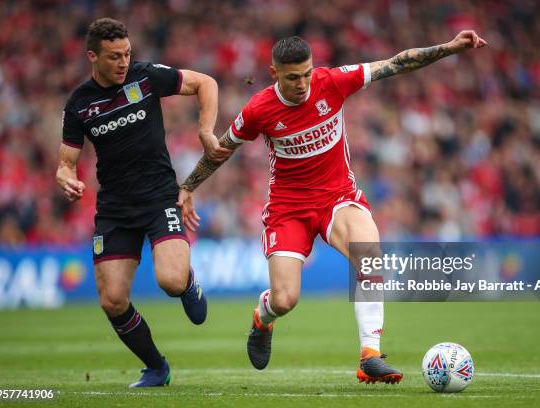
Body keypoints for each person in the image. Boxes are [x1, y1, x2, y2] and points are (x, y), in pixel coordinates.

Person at [178, 31, 487, 384]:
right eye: (292, 77)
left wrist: (449, 48)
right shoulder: (258, 109)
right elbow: (222, 150)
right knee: (285, 299)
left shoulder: (333, 82)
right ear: (274, 73)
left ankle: (370, 355)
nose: (302, 84)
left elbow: (396, 63)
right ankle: (263, 319)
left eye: (307, 73)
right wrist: (188, 186)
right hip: (288, 209)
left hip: (338, 198)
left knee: (370, 255)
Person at [56, 18, 230, 388]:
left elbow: (206, 83)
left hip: (159, 199)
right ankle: (156, 366)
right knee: (113, 300)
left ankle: (186, 281)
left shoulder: (145, 77)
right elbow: (66, 162)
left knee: (170, 281)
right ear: (92, 56)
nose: (123, 62)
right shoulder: (79, 104)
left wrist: (204, 128)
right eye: (114, 56)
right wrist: (65, 178)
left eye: (127, 54)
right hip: (115, 210)